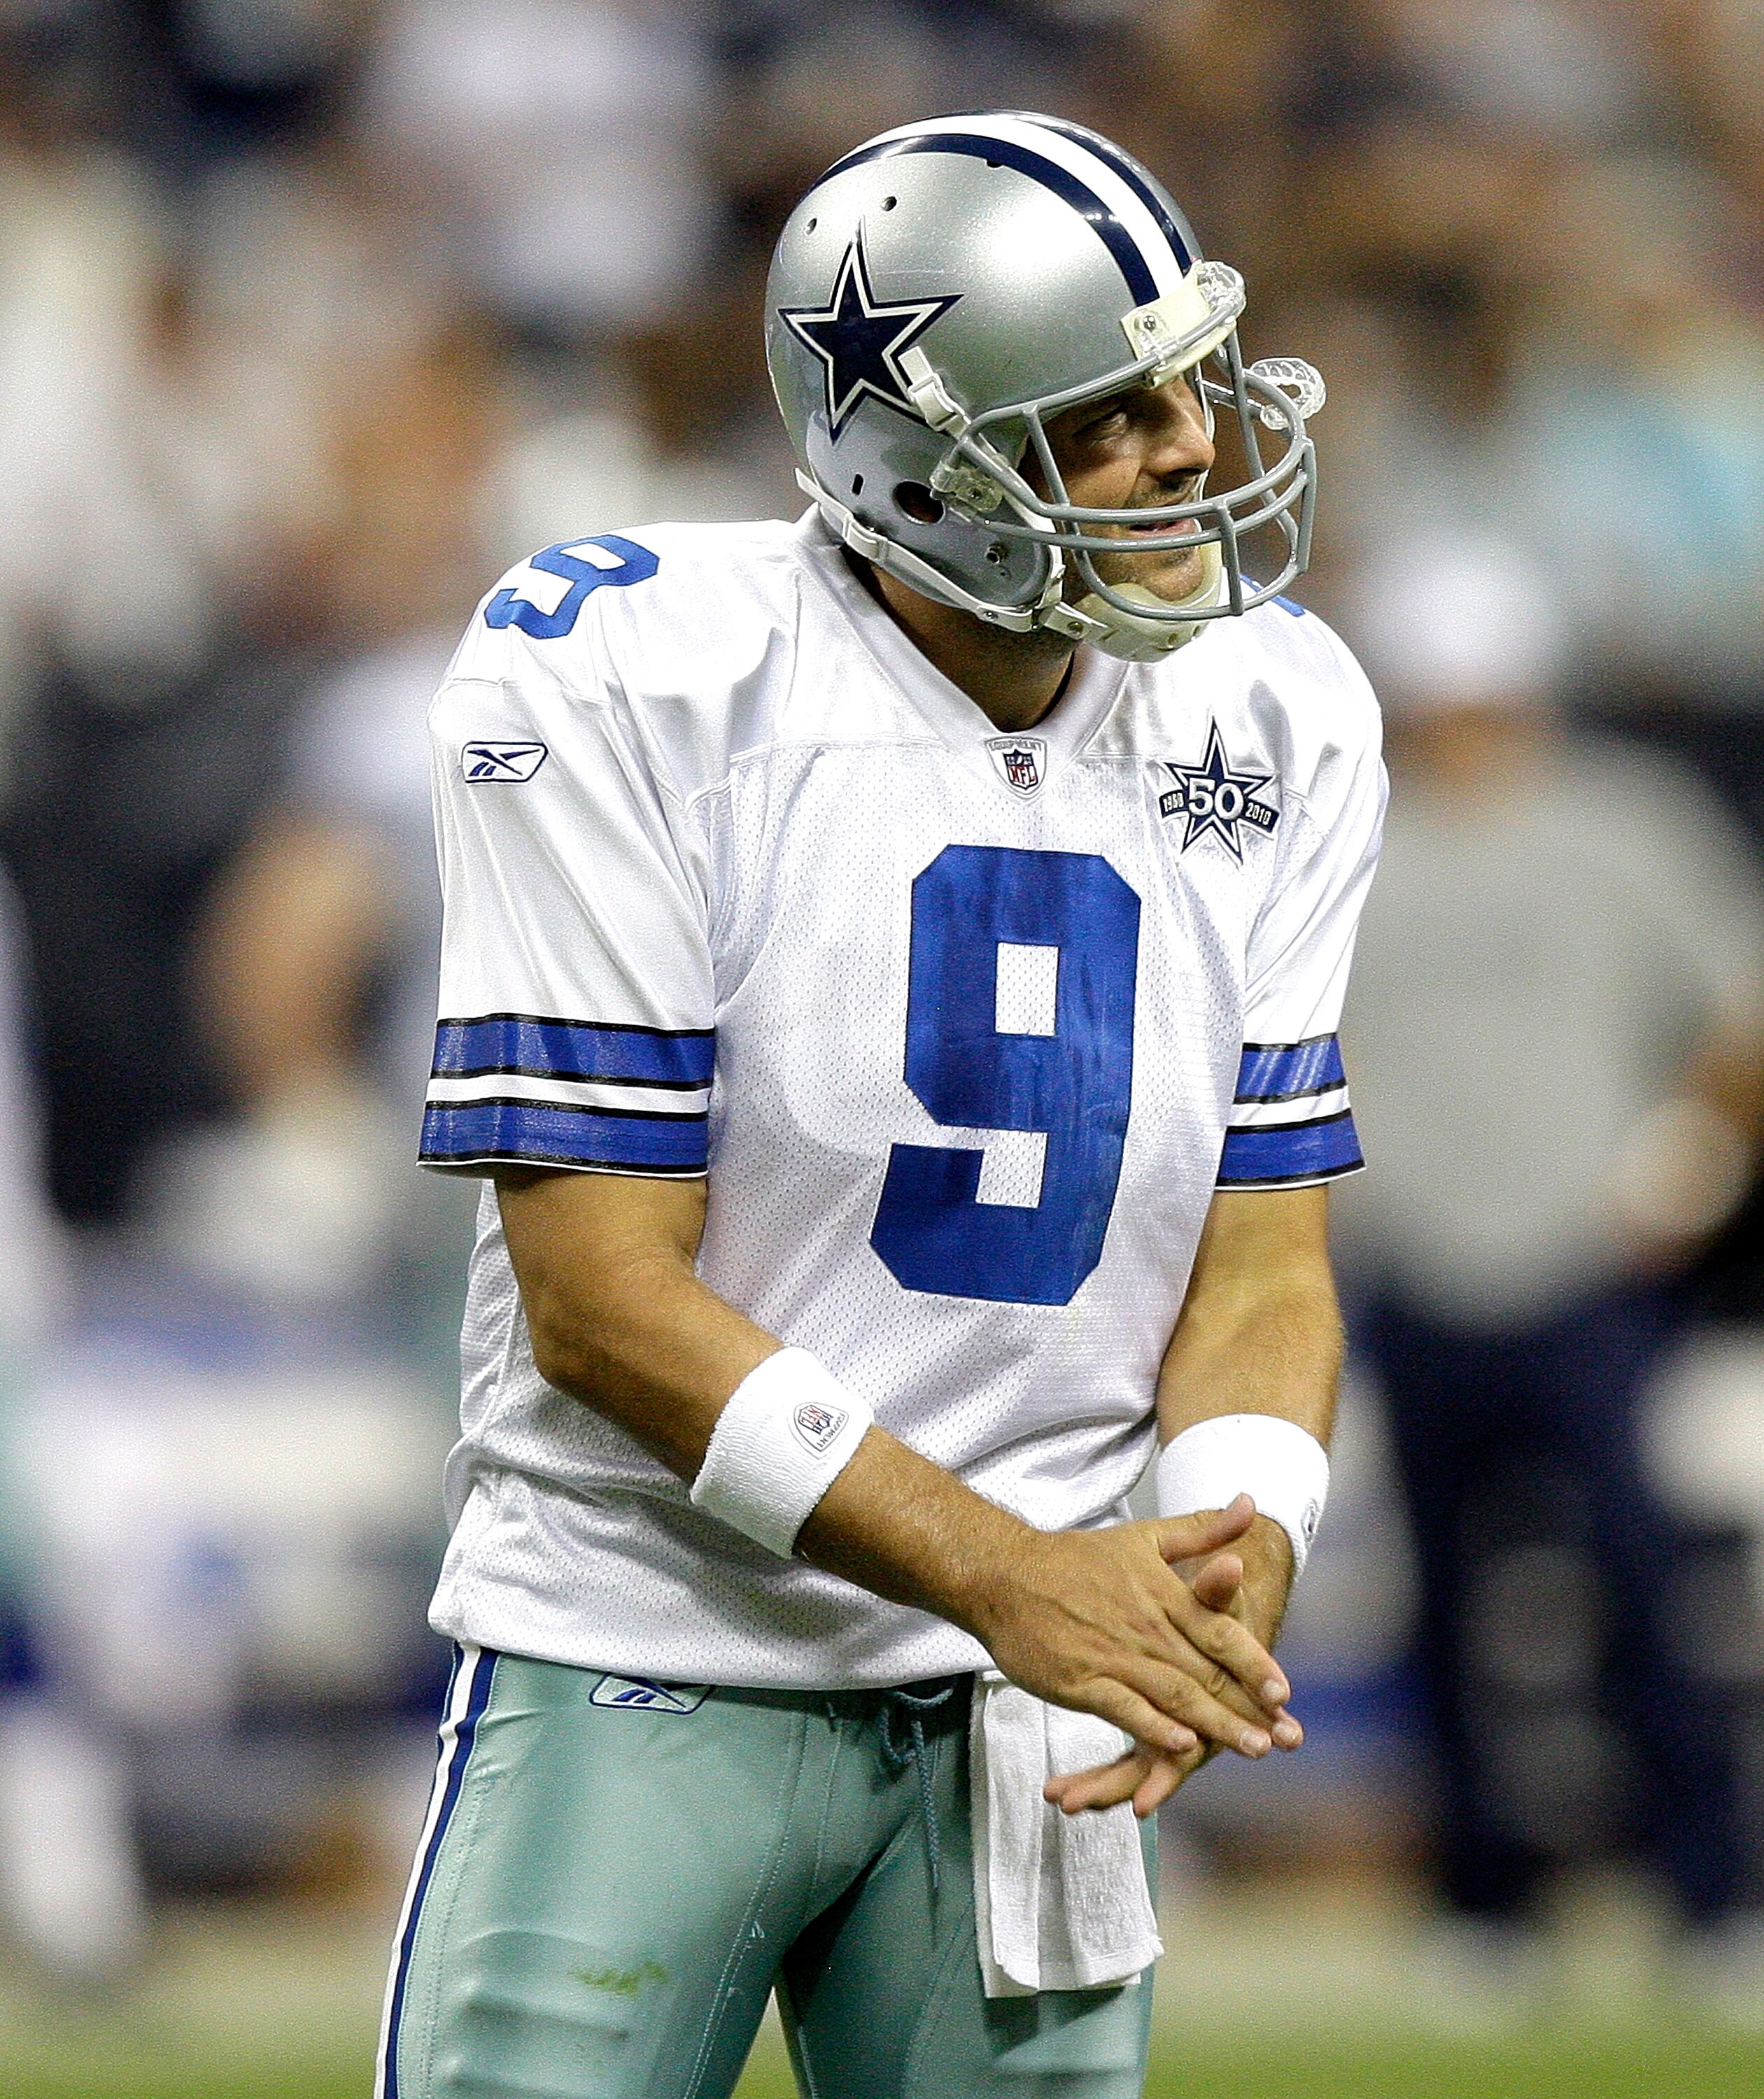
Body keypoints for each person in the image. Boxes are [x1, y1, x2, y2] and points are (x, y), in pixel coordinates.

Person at [380, 112, 1385, 2099]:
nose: (1191, 445)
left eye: (1191, 379)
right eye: (1106, 415)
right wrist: (1010, 1574)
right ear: (918, 464)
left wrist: (1229, 1542)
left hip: (1038, 1689)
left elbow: (1264, 1262)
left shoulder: (1279, 705)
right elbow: (599, 1302)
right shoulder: (634, 674)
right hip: (656, 1638)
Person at [1339, 535, 1764, 2009]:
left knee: (1640, 1586)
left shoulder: (1623, 822)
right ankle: (1483, 1907)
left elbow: (1736, 1009)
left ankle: (1708, 1897)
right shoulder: (1353, 836)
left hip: (1591, 1266)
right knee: (1444, 1604)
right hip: (1415, 1263)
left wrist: (1685, 1161)